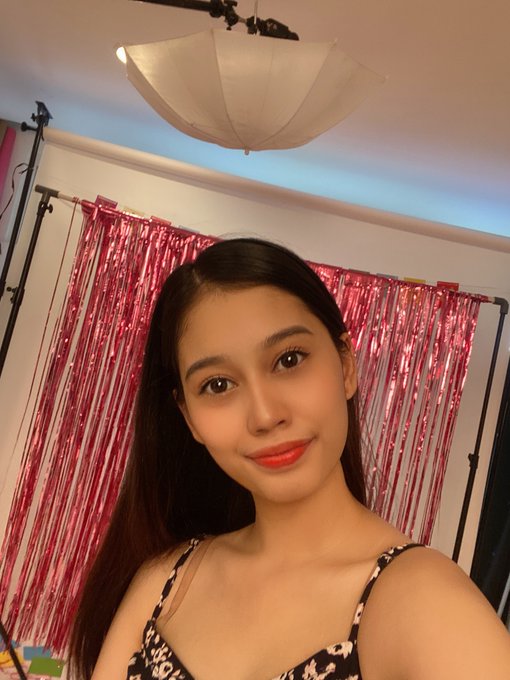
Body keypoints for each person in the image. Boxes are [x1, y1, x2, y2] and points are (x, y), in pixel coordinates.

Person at [70, 237, 510, 680]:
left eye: (289, 359)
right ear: (189, 418)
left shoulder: (422, 601)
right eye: (218, 385)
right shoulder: (165, 581)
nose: (265, 416)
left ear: (346, 366)